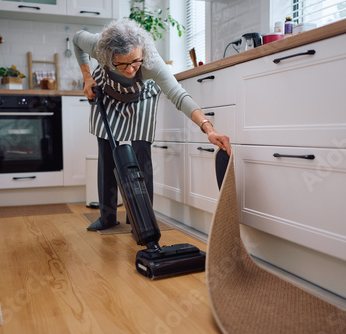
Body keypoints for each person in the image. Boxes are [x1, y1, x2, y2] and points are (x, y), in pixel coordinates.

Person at [73, 18, 231, 231]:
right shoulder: (98, 45)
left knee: (141, 153)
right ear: (107, 55)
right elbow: (76, 39)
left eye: (135, 62)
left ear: (142, 53)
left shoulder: (151, 61)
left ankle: (141, 219)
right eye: (122, 64)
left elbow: (178, 94)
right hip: (108, 94)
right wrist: (86, 77)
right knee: (107, 151)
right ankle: (107, 217)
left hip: (141, 98)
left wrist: (208, 128)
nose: (130, 70)